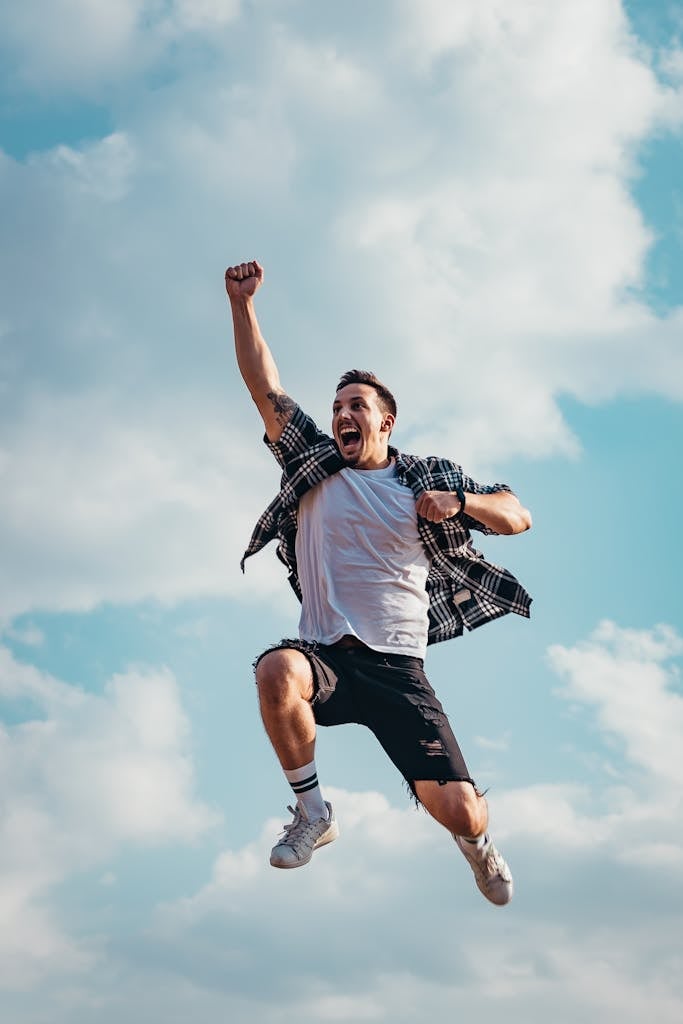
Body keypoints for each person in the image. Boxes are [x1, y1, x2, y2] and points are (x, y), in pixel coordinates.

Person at [225, 259, 532, 906]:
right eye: (337, 405)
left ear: (384, 423)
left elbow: (515, 514)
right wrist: (242, 304)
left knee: (461, 810)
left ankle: (476, 845)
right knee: (276, 671)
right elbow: (263, 386)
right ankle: (313, 813)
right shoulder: (311, 459)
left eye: (355, 406)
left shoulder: (422, 476)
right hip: (325, 656)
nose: (341, 413)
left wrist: (460, 502)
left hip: (398, 669)